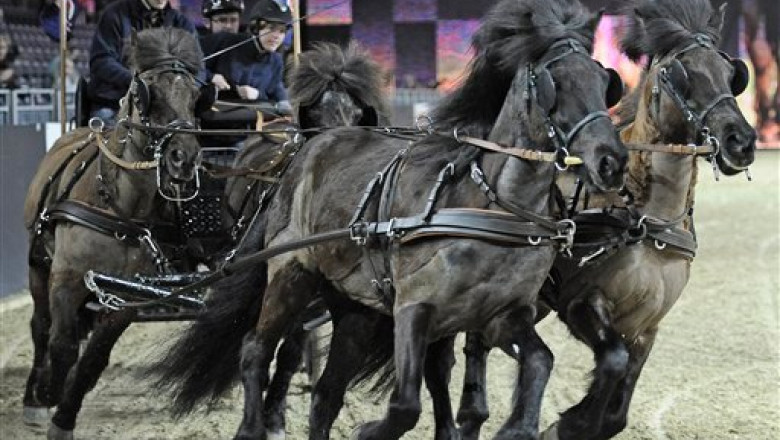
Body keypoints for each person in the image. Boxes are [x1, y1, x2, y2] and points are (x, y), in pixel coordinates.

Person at [87, 0, 197, 124]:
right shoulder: (114, 15)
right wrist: (137, 81)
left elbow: (197, 67)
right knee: (109, 128)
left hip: (167, 107)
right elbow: (101, 61)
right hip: (115, 103)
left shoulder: (182, 23)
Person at [201, 0, 291, 106]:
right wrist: (211, 77)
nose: (276, 36)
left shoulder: (276, 61)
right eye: (271, 28)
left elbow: (277, 95)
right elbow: (190, 67)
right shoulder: (224, 41)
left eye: (282, 31)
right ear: (255, 28)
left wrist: (258, 95)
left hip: (255, 114)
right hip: (215, 111)